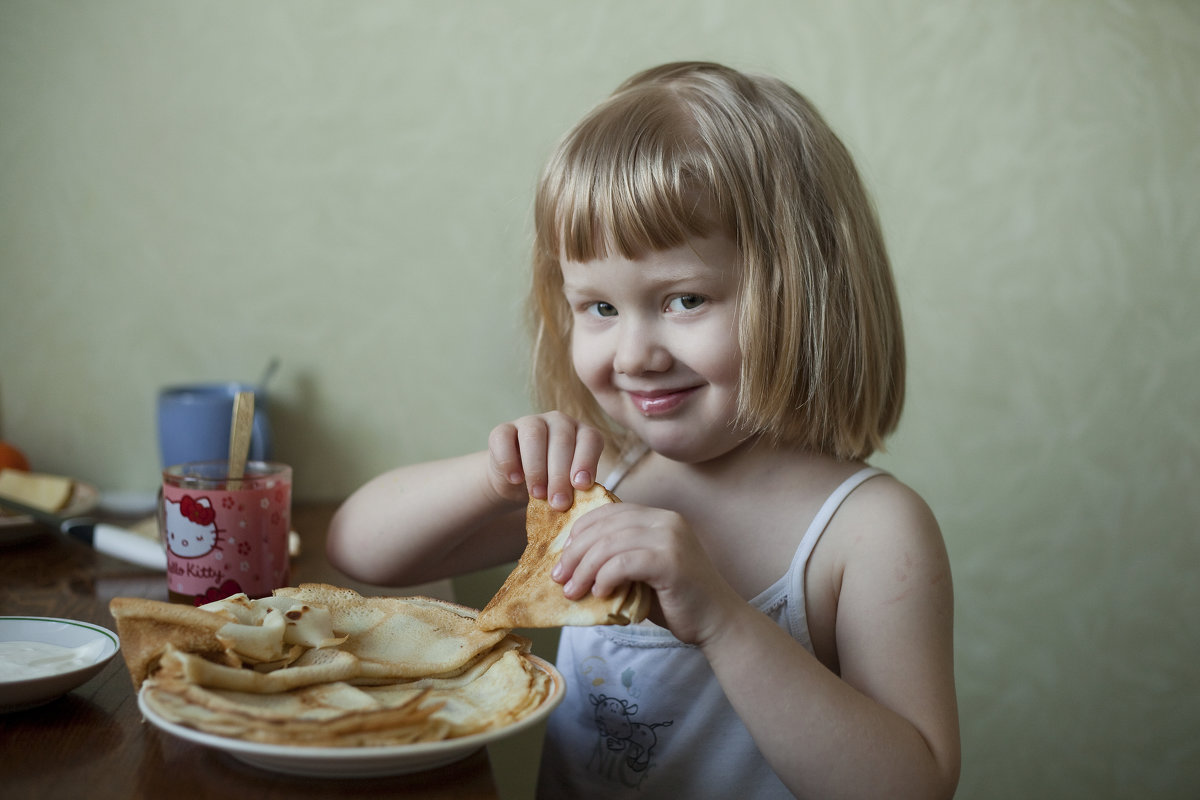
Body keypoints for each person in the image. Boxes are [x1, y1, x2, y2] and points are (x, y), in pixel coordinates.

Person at [327, 61, 960, 799]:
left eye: (685, 299)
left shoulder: (872, 533)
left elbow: (912, 786)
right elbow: (360, 550)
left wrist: (721, 619)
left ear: (803, 293)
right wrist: (490, 477)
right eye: (598, 308)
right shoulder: (599, 485)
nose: (634, 355)